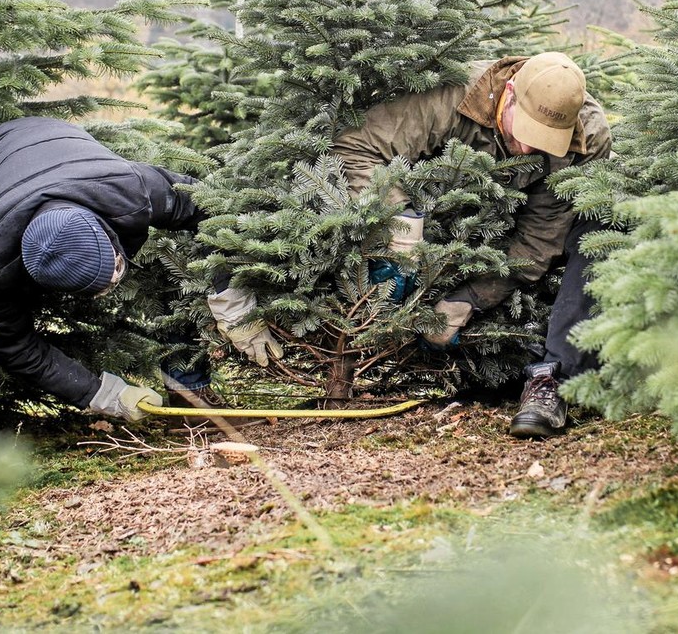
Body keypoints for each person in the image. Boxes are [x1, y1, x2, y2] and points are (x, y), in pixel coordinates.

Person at [207, 52, 612, 438]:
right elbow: (356, 147)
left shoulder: (587, 139)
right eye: (524, 133)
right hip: (416, 212)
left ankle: (551, 380)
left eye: (543, 141)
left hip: (498, 242)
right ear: (509, 94)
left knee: (604, 223)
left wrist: (468, 298)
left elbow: (539, 239)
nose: (527, 150)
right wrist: (397, 224)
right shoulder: (455, 95)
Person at [0, 117, 203, 421]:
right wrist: (102, 394)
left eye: (117, 269)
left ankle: (191, 392)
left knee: (168, 261)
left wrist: (228, 296)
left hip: (54, 136)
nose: (114, 287)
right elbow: (12, 344)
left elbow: (210, 204)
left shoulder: (128, 188)